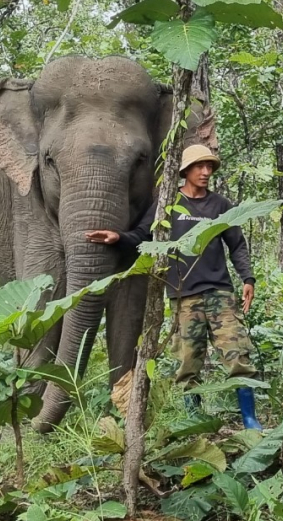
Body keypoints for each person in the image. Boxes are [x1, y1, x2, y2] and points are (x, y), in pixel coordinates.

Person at [85, 144, 263, 431]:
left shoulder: (220, 205)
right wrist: (118, 237)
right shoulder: (168, 204)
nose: (205, 172)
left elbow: (237, 245)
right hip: (184, 297)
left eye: (209, 167)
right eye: (199, 167)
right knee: (188, 363)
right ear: (185, 171)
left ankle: (250, 420)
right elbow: (144, 234)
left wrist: (248, 278)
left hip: (220, 293)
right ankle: (195, 422)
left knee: (237, 356)